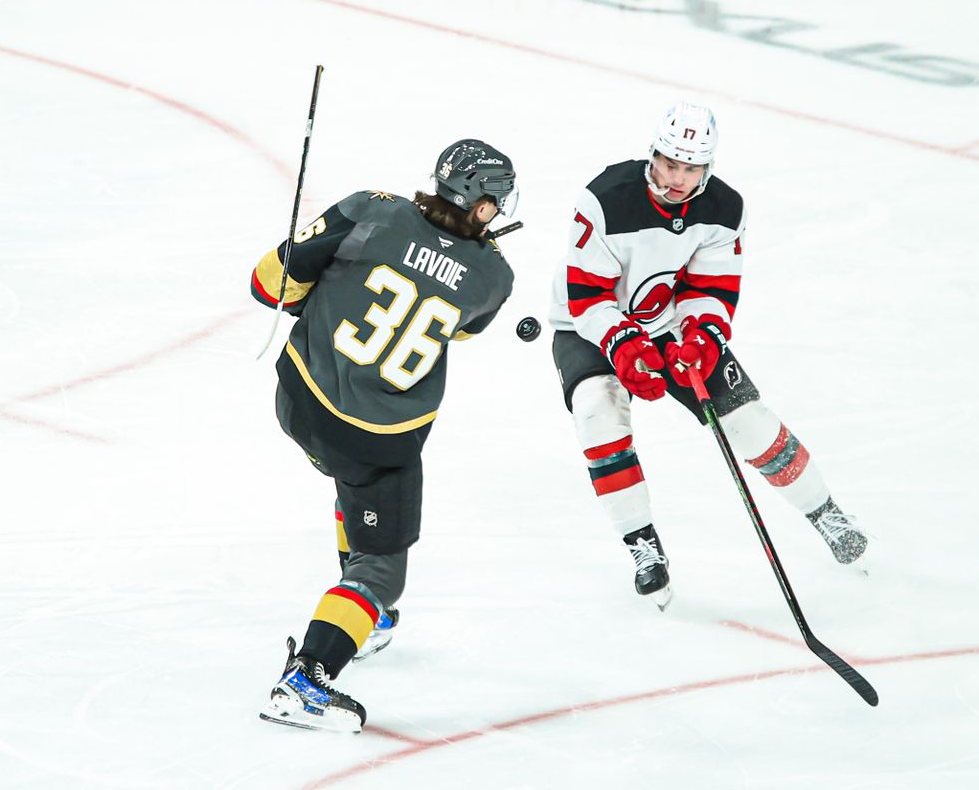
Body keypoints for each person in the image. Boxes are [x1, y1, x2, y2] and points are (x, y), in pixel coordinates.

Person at [548, 102, 866, 611]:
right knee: (598, 411)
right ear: (652, 155)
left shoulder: (724, 208)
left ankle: (825, 512)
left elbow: (710, 285)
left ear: (707, 168)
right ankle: (642, 546)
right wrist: (625, 345)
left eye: (690, 168)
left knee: (749, 420)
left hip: (672, 328)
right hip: (590, 329)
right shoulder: (605, 199)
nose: (676, 179)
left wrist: (701, 336)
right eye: (669, 164)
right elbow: (588, 296)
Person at [250, 139, 517, 732]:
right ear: (480, 208)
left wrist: (319, 289)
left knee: (353, 482)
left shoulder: (370, 209)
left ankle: (358, 620)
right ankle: (306, 681)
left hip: (295, 400)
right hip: (373, 440)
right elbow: (464, 327)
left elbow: (268, 285)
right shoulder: (494, 275)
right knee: (381, 571)